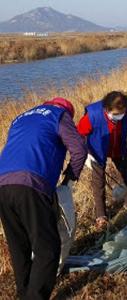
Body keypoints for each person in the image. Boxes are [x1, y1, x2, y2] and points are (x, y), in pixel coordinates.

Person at [0, 98, 87, 300]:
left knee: (19, 246)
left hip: (2, 184)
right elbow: (79, 150)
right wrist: (69, 178)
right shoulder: (60, 115)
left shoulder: (20, 117)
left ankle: (24, 294)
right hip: (30, 183)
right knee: (47, 248)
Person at [77, 91, 127, 229]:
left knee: (126, 175)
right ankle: (101, 216)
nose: (119, 117)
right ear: (107, 109)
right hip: (97, 150)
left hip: (118, 147)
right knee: (98, 182)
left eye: (122, 113)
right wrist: (85, 154)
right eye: (115, 114)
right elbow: (78, 134)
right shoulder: (93, 115)